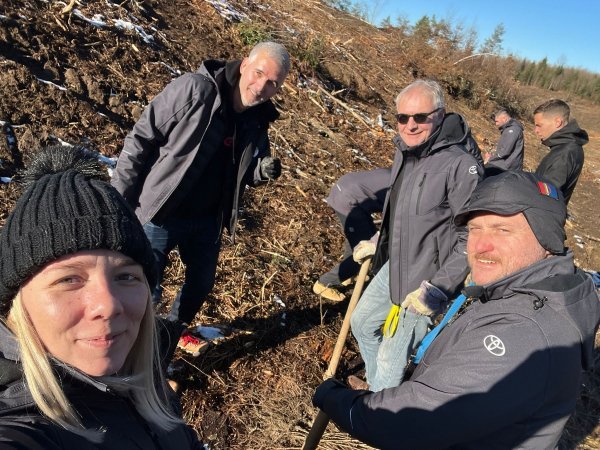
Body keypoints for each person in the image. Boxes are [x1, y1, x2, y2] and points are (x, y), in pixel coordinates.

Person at [312, 171, 600, 449]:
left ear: (546, 239)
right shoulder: (529, 293)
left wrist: (336, 400)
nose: (482, 246)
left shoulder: (523, 331)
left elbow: (407, 424)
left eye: (503, 229)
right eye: (475, 229)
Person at [0, 146, 203, 448]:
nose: (108, 304)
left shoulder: (145, 378)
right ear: (17, 301)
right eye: (68, 279)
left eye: (126, 276)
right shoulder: (23, 429)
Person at [111, 41, 290, 355]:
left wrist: (262, 172)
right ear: (245, 62)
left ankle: (167, 338)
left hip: (208, 220)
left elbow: (247, 171)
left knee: (200, 284)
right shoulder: (196, 90)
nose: (261, 86)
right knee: (143, 287)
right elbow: (141, 138)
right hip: (161, 212)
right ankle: (129, 357)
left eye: (272, 83)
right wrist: (116, 201)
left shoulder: (257, 120)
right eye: (259, 73)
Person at [348, 79, 483, 391]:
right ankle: (377, 389)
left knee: (390, 361)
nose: (410, 125)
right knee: (363, 323)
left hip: (426, 281)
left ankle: (382, 414)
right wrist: (378, 238)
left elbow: (472, 236)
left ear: (439, 114)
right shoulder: (406, 152)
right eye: (402, 118)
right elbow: (400, 211)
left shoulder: (461, 166)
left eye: (420, 117)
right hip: (397, 262)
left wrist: (438, 288)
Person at [313, 109, 483, 303]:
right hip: (347, 200)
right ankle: (324, 283)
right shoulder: (407, 183)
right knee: (365, 247)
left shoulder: (406, 173)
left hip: (349, 193)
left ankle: (350, 274)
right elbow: (392, 217)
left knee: (357, 242)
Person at [533, 99, 588, 205]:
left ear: (557, 122)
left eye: (539, 125)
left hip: (542, 217)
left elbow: (545, 199)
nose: (536, 130)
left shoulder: (565, 153)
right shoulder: (566, 147)